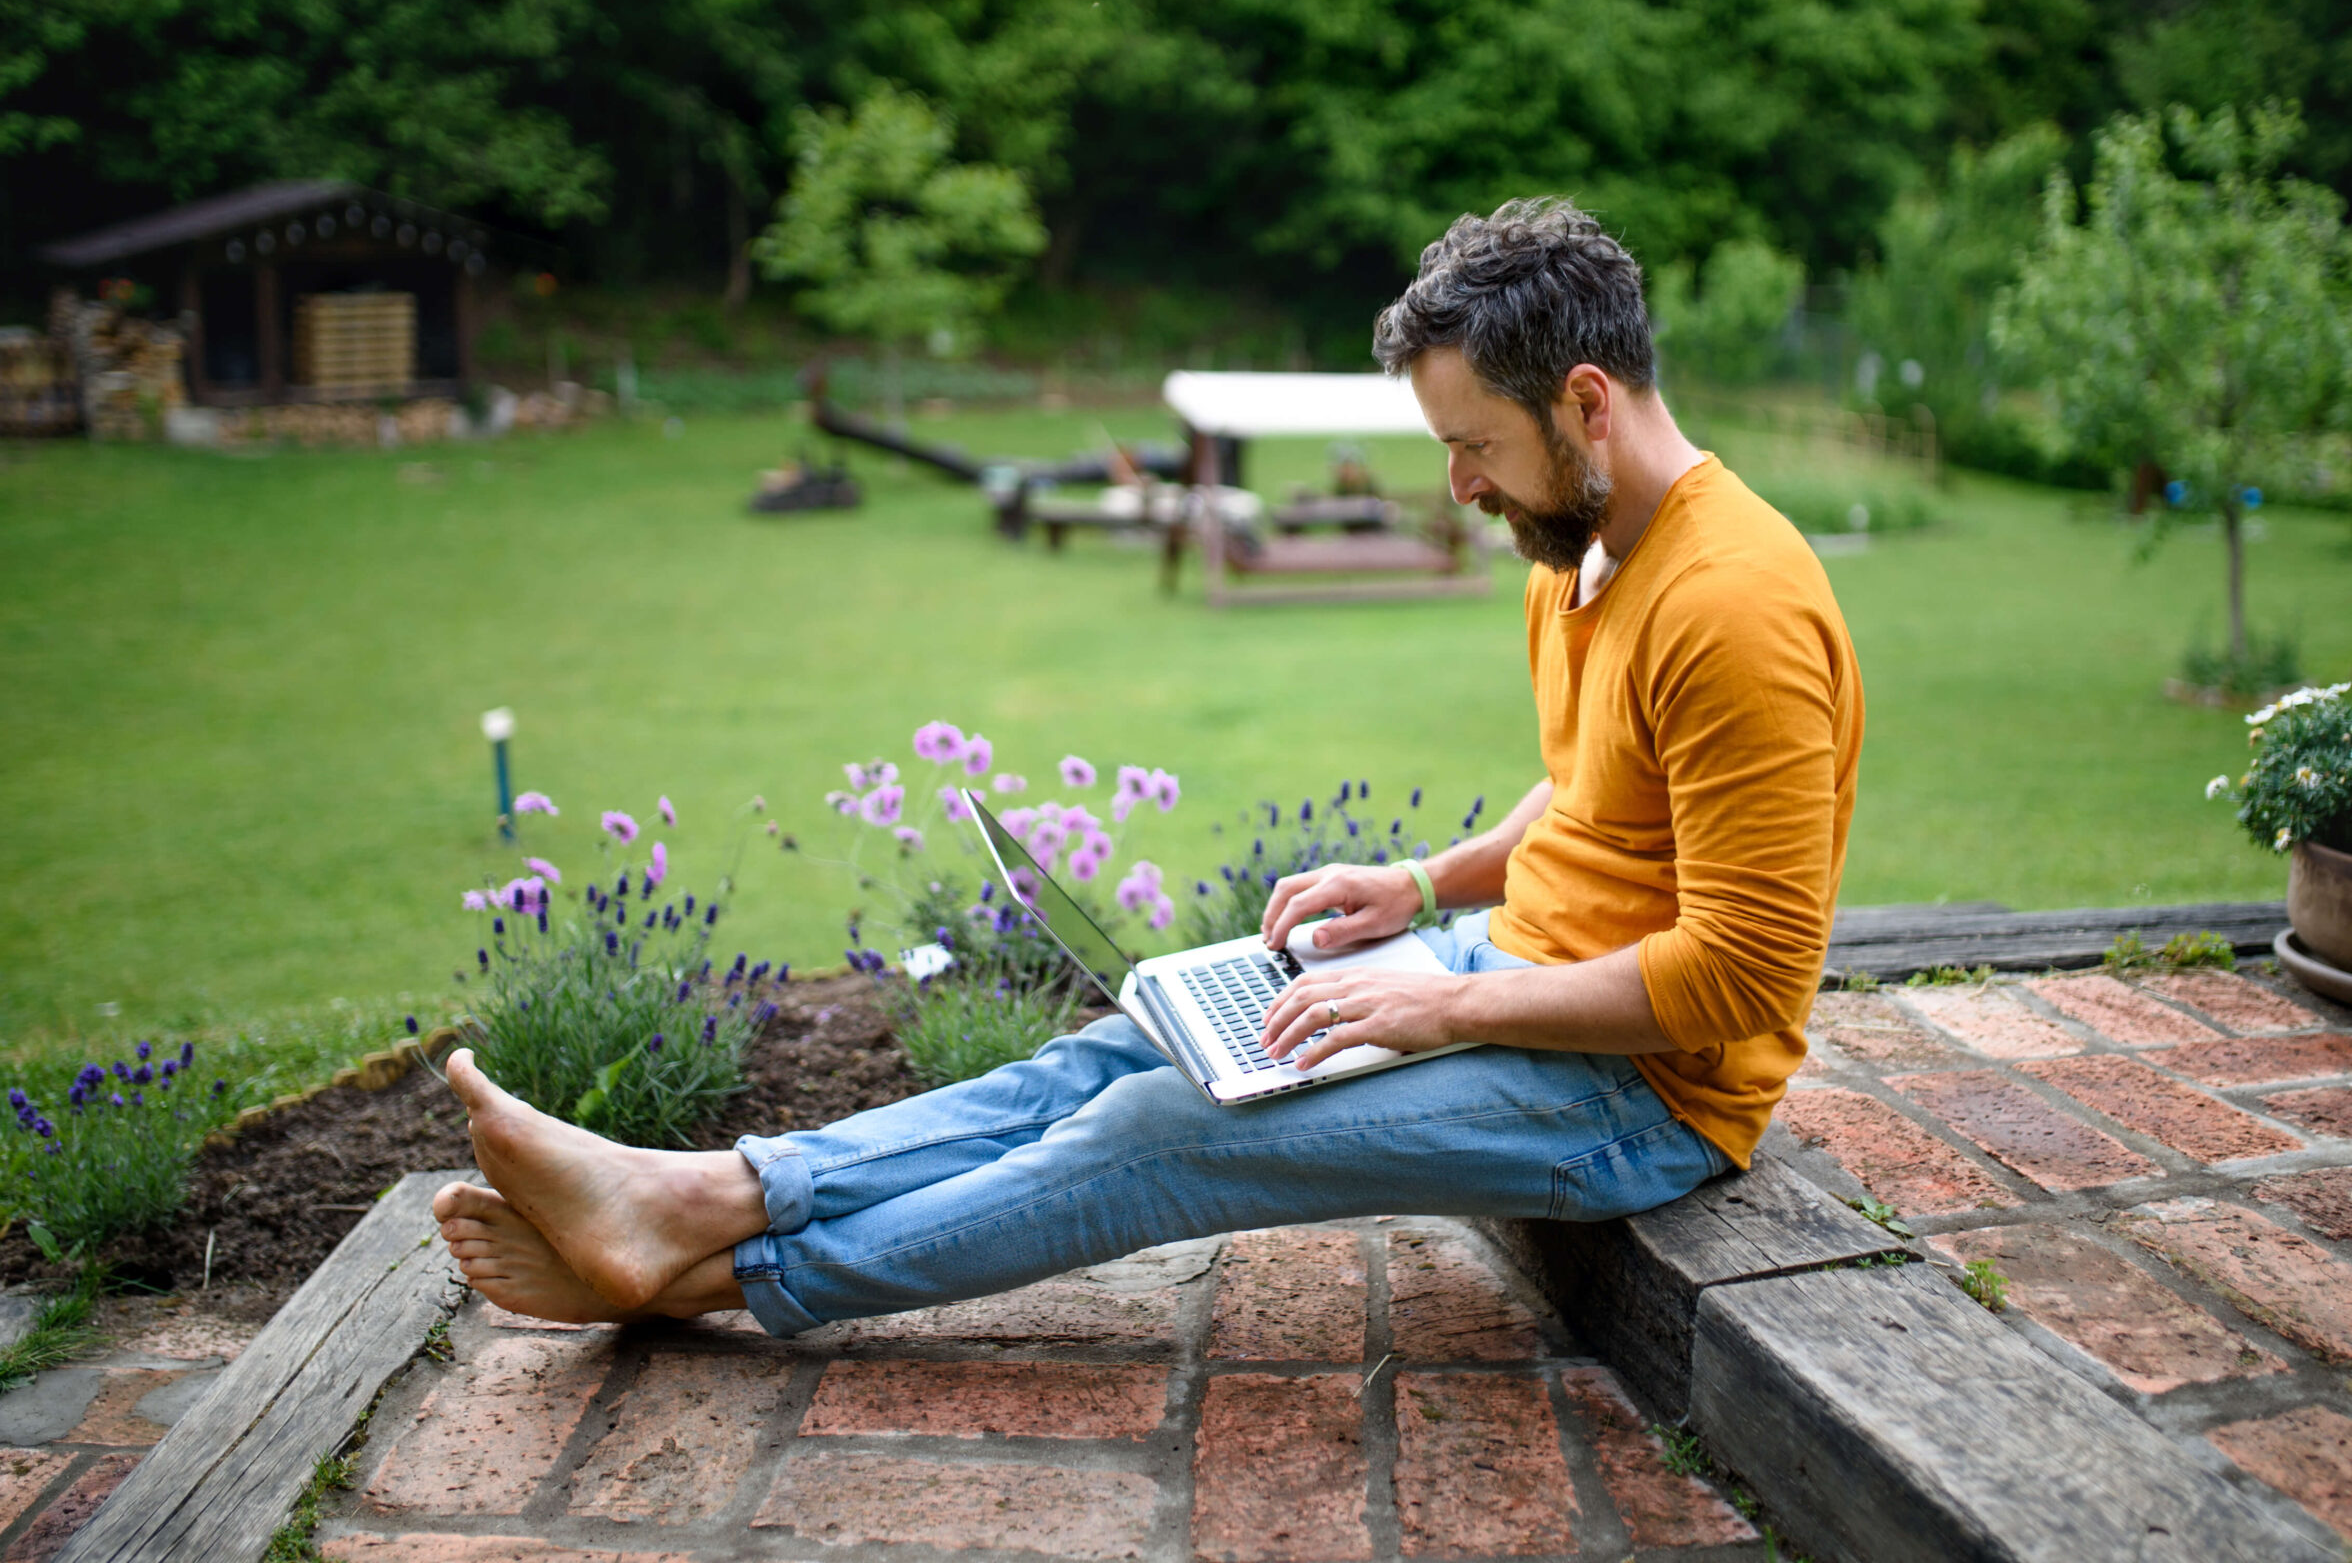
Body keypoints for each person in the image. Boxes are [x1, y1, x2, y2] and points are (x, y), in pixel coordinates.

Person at [431, 197, 1865, 1332]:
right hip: (1506, 968)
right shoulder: (1585, 541)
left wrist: (1439, 1014)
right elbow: (1602, 787)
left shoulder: (1733, 605)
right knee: (1143, 1033)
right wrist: (1423, 884)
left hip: (1641, 1101)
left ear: (1588, 400)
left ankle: (703, 1282)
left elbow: (1739, 983)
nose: (1460, 487)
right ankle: (706, 1194)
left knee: (1163, 1129)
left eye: (1475, 445)